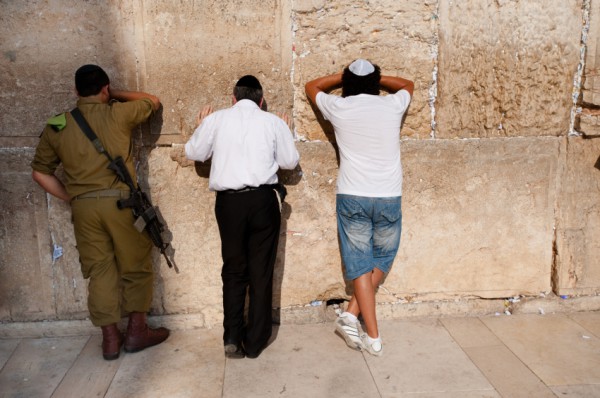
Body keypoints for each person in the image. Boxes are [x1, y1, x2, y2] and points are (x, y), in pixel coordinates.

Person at [31, 64, 170, 360]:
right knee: (135, 266)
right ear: (104, 88)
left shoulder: (58, 125)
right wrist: (114, 93)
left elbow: (40, 173)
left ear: (76, 91)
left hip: (84, 209)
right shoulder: (117, 112)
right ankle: (136, 331)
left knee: (100, 271)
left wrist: (72, 196)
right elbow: (152, 101)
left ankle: (109, 340)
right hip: (122, 206)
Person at [185, 75, 299, 359]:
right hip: (262, 201)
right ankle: (256, 341)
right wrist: (285, 131)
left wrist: (201, 125)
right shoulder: (273, 122)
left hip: (229, 204)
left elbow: (194, 153)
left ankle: (232, 336)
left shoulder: (217, 120)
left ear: (233, 99)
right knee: (261, 271)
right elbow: (289, 162)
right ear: (261, 101)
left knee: (234, 268)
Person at [305, 59, 413, 356]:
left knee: (359, 262)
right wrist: (376, 81)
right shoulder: (392, 105)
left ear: (348, 84)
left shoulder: (339, 107)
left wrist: (343, 78)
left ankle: (353, 317)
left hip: (352, 194)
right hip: (389, 195)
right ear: (376, 83)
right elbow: (408, 84)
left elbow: (311, 86)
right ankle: (371, 333)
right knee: (382, 257)